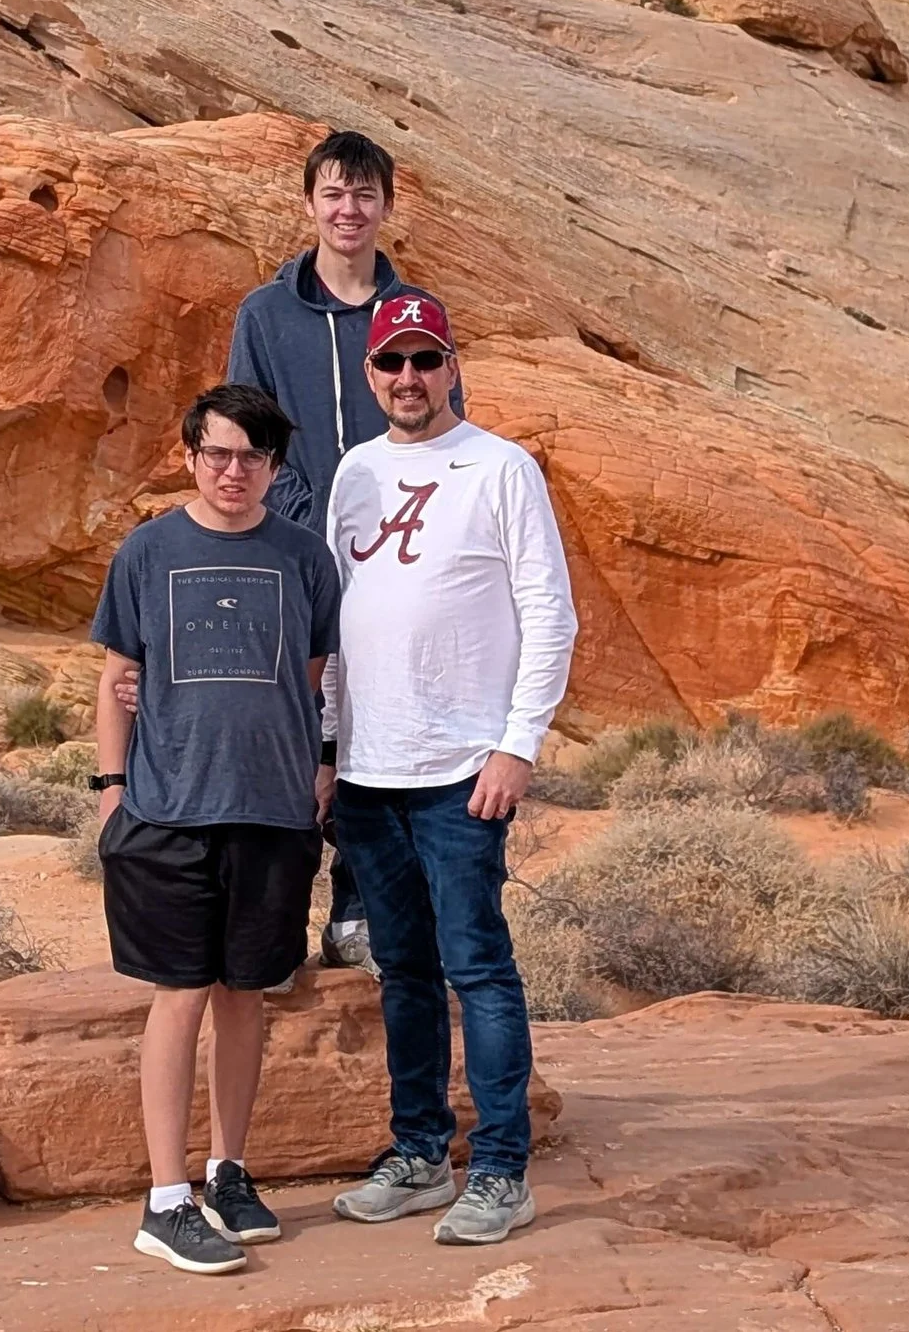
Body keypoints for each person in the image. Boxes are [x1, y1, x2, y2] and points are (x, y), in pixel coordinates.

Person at [321, 292, 577, 1247]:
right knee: (405, 972)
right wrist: (329, 747)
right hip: (369, 774)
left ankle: (502, 1169)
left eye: (427, 360)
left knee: (479, 965)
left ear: (452, 366)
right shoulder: (355, 473)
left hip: (463, 769)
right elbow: (341, 623)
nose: (410, 378)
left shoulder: (502, 469)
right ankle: (422, 1153)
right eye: (393, 362)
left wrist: (518, 744)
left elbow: (549, 612)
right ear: (371, 374)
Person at [89, 382, 343, 1276]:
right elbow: (118, 674)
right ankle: (165, 1200)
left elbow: (311, 679)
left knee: (246, 997)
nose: (234, 471)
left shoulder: (304, 558)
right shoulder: (149, 551)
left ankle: (228, 1172)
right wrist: (113, 791)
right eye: (218, 453)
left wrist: (318, 769)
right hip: (168, 810)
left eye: (253, 457)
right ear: (191, 454)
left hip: (271, 813)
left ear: (276, 468)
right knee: (179, 995)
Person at [221, 128, 461, 975]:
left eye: (364, 195)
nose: (348, 210)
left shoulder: (412, 315)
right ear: (310, 202)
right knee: (292, 724)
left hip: (396, 558)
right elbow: (246, 429)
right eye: (333, 193)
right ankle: (277, 915)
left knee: (377, 727)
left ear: (387, 206)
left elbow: (442, 427)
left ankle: (357, 909)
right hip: (294, 552)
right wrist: (297, 521)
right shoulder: (267, 312)